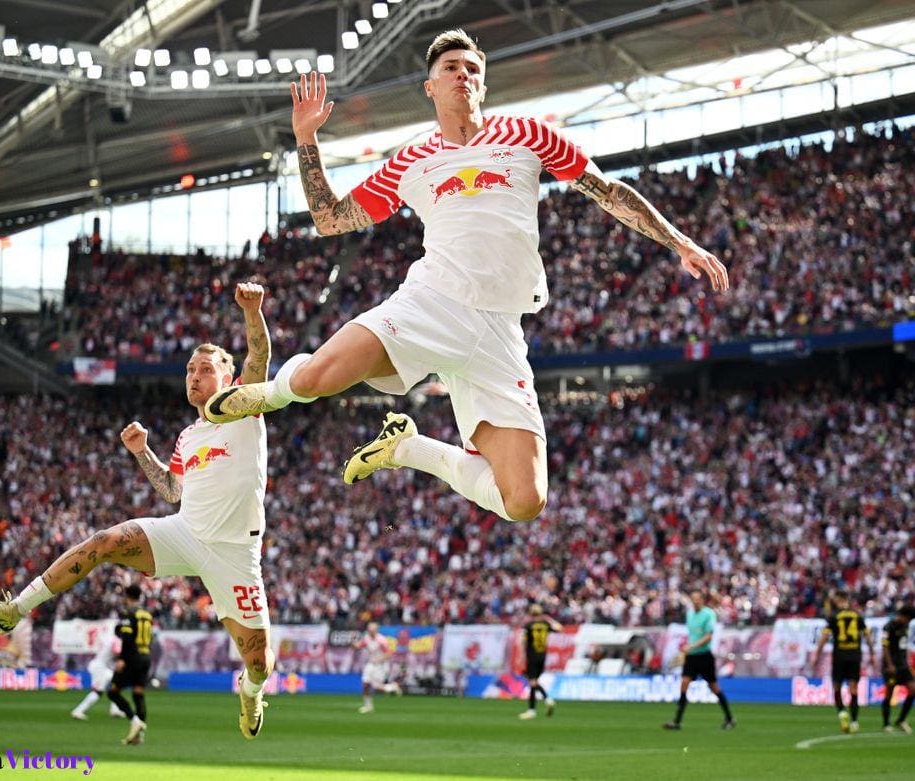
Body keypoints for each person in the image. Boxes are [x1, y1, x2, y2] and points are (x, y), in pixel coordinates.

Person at [203, 29, 728, 528]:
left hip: (500, 330)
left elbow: (607, 191)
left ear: (484, 83)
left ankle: (408, 448)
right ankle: (273, 393)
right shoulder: (410, 162)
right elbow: (330, 219)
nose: (463, 75)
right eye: (450, 68)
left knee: (523, 501)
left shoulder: (527, 136)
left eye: (472, 68)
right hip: (432, 302)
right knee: (316, 381)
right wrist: (305, 139)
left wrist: (678, 241)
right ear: (431, 87)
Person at [0, 282, 276, 741]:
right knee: (104, 542)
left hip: (234, 552)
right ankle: (16, 609)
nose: (193, 376)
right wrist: (142, 452)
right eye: (190, 370)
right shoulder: (188, 437)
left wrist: (252, 312)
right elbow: (173, 491)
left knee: (258, 660)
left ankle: (250, 693)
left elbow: (258, 358)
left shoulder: (245, 406)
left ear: (227, 380)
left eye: (205, 369)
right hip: (186, 532)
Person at [663, 590, 735, 731]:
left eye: (697, 599)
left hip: (704, 656)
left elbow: (708, 636)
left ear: (702, 600)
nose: (695, 602)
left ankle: (729, 718)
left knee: (714, 687)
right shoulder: (689, 615)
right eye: (693, 599)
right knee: (684, 683)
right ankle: (677, 721)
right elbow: (693, 635)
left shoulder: (709, 614)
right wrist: (686, 649)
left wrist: (691, 646)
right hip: (691, 656)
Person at [811, 589, 874, 733]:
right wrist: (871, 654)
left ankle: (842, 713)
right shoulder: (857, 615)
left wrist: (816, 655)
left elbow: (823, 638)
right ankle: (855, 722)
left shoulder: (834, 616)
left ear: (839, 598)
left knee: (837, 687)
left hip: (839, 655)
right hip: (854, 655)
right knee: (853, 688)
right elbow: (868, 636)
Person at [108, 585, 154, 744]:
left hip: (132, 657)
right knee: (138, 694)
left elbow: (127, 639)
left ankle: (135, 721)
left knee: (113, 692)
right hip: (146, 656)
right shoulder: (147, 614)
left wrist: (122, 659)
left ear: (126, 596)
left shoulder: (129, 612)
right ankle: (138, 737)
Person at [70, 620, 125, 721]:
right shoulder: (116, 641)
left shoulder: (111, 638)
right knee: (98, 692)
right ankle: (78, 711)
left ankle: (115, 710)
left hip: (103, 667)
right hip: (100, 668)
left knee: (116, 685)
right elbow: (117, 653)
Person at [518, 604, 561, 720]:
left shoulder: (528, 626)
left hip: (532, 656)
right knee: (533, 682)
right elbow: (559, 628)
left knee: (532, 682)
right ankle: (531, 710)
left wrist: (520, 656)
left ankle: (547, 699)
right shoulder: (545, 624)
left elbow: (522, 641)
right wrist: (548, 618)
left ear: (531, 614)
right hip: (542, 656)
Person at [880, 604, 915, 733]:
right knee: (889, 692)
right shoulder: (888, 626)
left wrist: (907, 662)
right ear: (904, 616)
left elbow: (904, 646)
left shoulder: (905, 626)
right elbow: (885, 646)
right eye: (908, 619)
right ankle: (886, 723)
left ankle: (901, 720)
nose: (908, 621)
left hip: (903, 665)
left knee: (913, 690)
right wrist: (889, 665)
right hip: (891, 666)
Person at [354, 622, 402, 713]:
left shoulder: (381, 640)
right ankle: (368, 706)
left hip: (381, 665)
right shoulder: (367, 638)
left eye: (372, 630)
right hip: (371, 664)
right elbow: (358, 646)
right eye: (369, 630)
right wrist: (352, 639)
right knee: (365, 684)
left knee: (376, 687)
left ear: (376, 630)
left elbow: (388, 654)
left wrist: (379, 660)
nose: (370, 631)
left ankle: (393, 687)